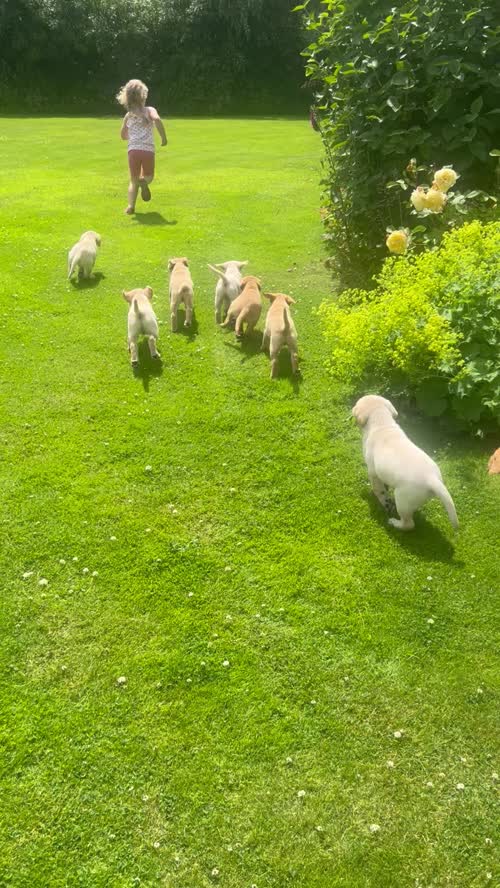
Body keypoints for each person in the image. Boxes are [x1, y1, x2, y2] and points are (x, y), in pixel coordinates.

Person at [116, 79, 167, 215]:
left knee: (133, 180)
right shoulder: (149, 110)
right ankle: (144, 183)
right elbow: (157, 120)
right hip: (147, 150)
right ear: (143, 96)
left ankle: (130, 206)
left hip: (133, 150)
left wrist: (131, 136)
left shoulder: (128, 115)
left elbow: (122, 135)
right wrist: (163, 137)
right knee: (149, 177)